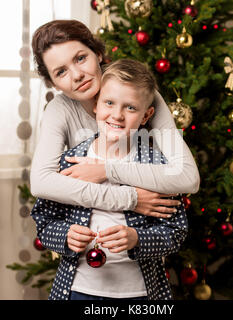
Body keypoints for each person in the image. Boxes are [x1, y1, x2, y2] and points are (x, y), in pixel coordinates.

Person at [31, 59, 188, 300]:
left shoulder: (158, 167)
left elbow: (175, 232)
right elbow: (44, 221)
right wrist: (65, 235)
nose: (117, 115)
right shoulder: (70, 161)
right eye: (109, 103)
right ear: (95, 104)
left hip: (141, 293)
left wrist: (137, 239)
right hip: (78, 290)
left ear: (147, 115)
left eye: (130, 108)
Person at [30, 20, 200, 219]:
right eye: (61, 72)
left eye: (81, 58)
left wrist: (108, 170)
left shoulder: (141, 92)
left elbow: (188, 178)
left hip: (144, 229)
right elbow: (41, 182)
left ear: (98, 54)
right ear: (53, 84)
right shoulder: (59, 109)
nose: (77, 75)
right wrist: (130, 199)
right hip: (89, 226)